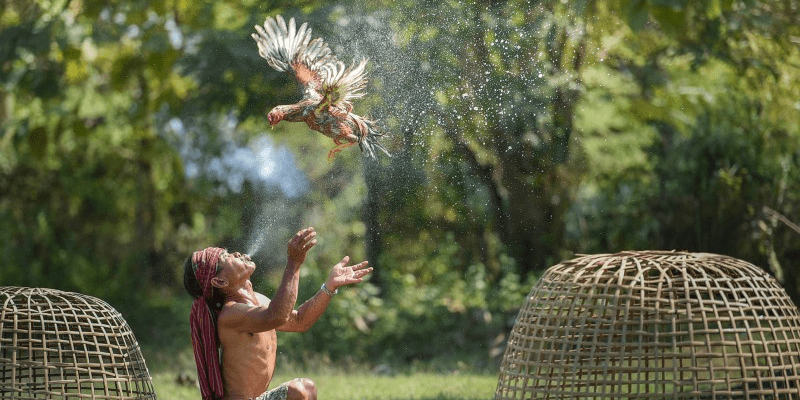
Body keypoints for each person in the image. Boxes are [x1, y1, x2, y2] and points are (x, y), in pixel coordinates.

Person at [183, 227, 372, 400]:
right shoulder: (231, 314)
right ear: (220, 282)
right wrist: (294, 263)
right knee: (298, 391)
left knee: (308, 388)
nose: (236, 253)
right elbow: (277, 316)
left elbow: (299, 321)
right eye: (227, 257)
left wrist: (328, 287)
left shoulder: (258, 300)